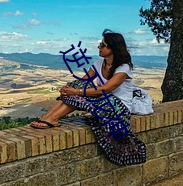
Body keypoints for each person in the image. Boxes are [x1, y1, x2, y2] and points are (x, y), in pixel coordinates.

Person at [30, 29, 146, 165]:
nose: (99, 47)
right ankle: (48, 117)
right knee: (76, 85)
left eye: (103, 45)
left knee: (78, 92)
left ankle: (53, 118)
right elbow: (84, 82)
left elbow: (106, 89)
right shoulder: (98, 64)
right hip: (104, 101)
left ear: (113, 48)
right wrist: (68, 89)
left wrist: (76, 91)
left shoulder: (123, 67)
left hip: (118, 108)